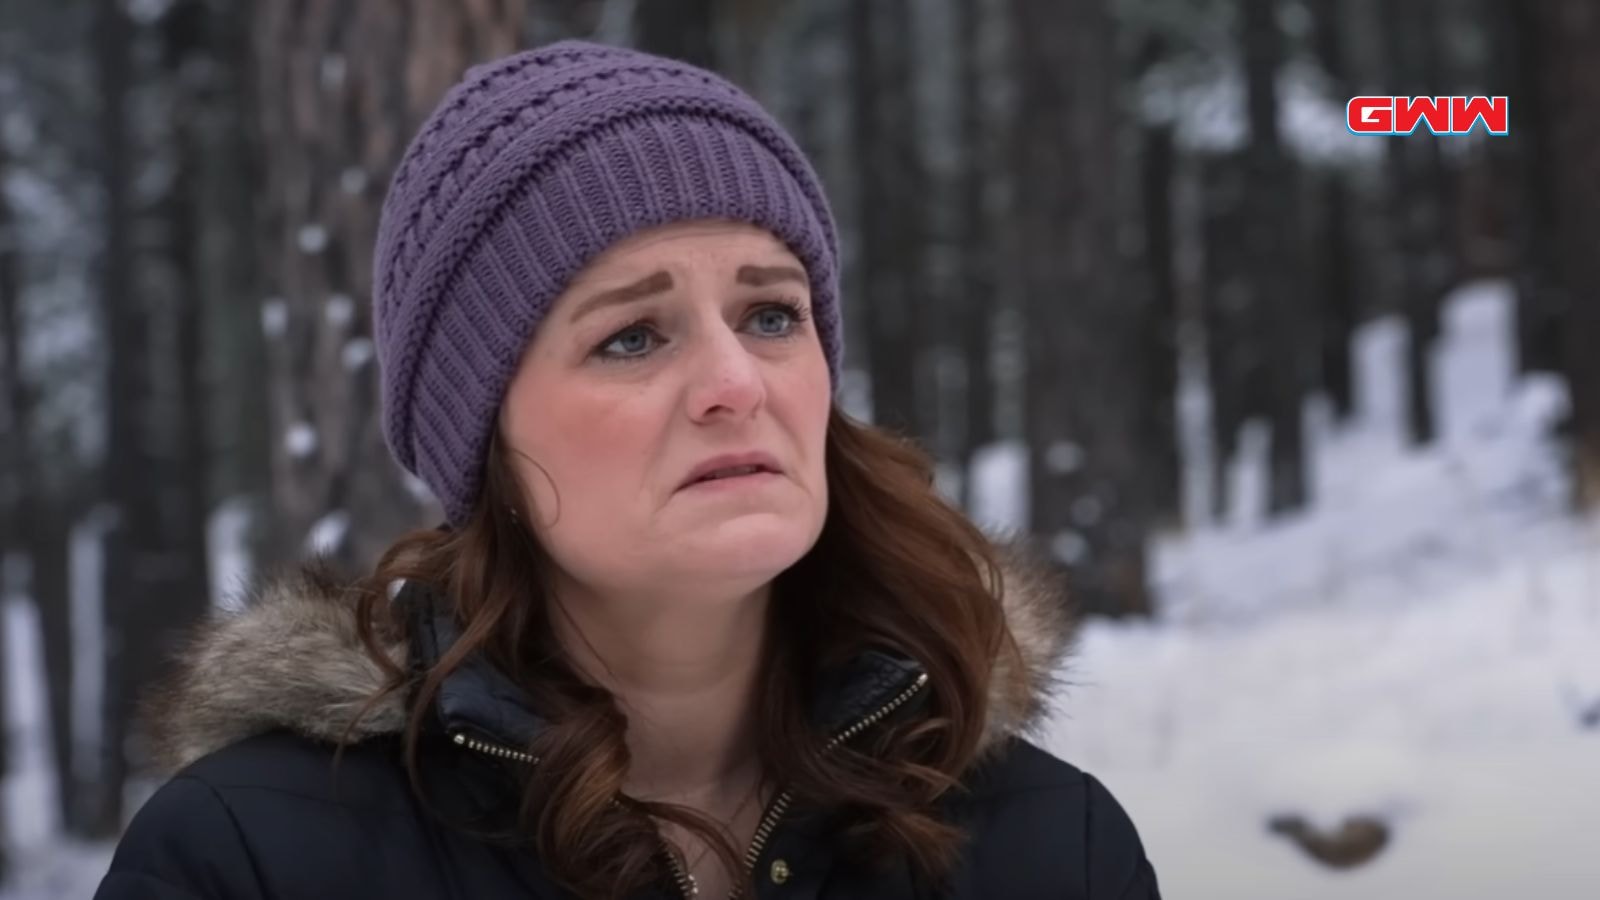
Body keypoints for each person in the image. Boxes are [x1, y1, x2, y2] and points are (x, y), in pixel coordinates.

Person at [93, 39, 1160, 900]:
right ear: (483, 432)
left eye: (772, 314)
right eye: (633, 337)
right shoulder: (252, 860)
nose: (734, 381)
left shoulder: (1045, 849)